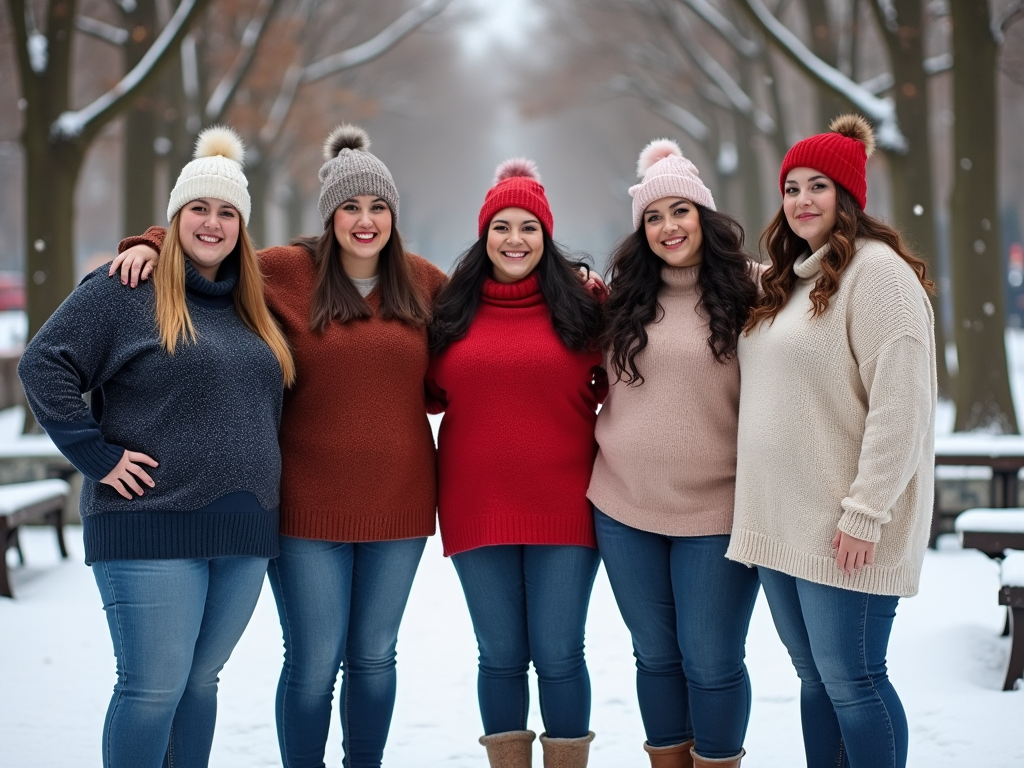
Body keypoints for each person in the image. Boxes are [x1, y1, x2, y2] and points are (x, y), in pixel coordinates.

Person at [111, 125, 446, 768]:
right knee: (316, 659)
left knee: (376, 655)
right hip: (303, 505)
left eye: (378, 207)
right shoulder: (287, 272)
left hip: (400, 506)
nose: (365, 220)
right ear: (330, 214)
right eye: (351, 206)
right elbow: (208, 248)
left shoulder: (424, 281)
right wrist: (150, 243)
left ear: (394, 216)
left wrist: (575, 275)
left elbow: (503, 291)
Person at [18, 126, 295, 768]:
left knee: (200, 685)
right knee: (152, 689)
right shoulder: (125, 290)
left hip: (244, 529)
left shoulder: (257, 304)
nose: (213, 222)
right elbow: (44, 364)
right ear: (173, 218)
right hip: (150, 523)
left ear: (242, 228)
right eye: (199, 208)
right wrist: (97, 455)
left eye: (228, 213)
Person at [727, 114, 936, 768]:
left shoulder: (878, 276)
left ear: (849, 196)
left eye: (818, 186)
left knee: (855, 678)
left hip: (843, 525)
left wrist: (866, 511)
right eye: (791, 187)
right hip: (781, 520)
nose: (801, 200)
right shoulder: (791, 281)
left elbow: (900, 407)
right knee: (816, 679)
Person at [427, 159, 605, 768]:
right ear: (484, 237)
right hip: (477, 506)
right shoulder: (451, 310)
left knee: (559, 653)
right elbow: (425, 389)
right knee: (499, 654)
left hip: (568, 504)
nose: (514, 239)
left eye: (528, 226)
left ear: (546, 236)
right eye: (501, 226)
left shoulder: (585, 308)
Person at [588, 140, 760, 768]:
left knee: (711, 660)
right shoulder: (618, 298)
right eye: (653, 217)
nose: (668, 227)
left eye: (680, 211)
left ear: (704, 216)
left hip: (718, 509)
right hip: (623, 505)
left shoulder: (752, 292)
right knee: (655, 657)